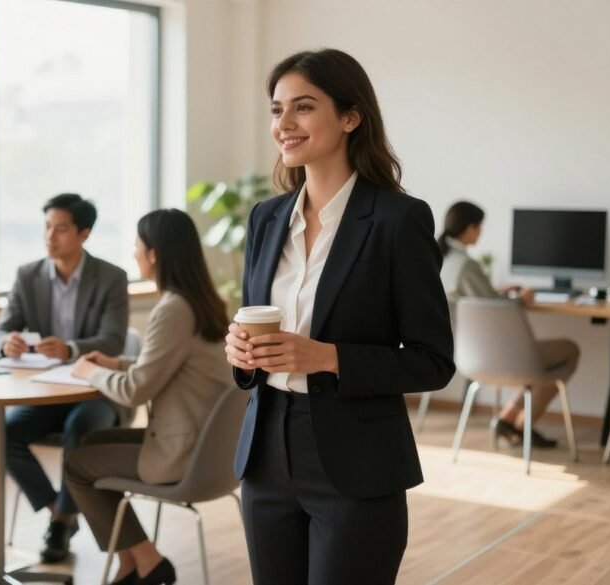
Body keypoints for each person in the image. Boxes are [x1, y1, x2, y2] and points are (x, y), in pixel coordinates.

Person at [223, 49, 455, 585]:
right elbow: (251, 322)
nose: (285, 124)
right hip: (266, 455)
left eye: (303, 107)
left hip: (357, 463)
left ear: (351, 117)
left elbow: (433, 362)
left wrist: (327, 357)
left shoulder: (399, 220)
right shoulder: (266, 217)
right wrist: (239, 352)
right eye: (277, 109)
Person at [65, 209, 230, 585]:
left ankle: (148, 561)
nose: (134, 252)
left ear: (155, 253)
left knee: (78, 464)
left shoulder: (172, 309)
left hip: (182, 453)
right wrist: (115, 362)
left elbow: (136, 391)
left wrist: (91, 370)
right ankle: (130, 566)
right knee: (93, 442)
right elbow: (166, 365)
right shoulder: (199, 301)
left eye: (138, 244)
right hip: (206, 448)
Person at [0, 193, 130, 562]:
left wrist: (69, 348)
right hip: (43, 392)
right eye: (47, 227)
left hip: (95, 392)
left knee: (80, 431)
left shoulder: (112, 278)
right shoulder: (28, 275)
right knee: (3, 432)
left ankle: (63, 521)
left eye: (61, 229)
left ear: (83, 234)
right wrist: (8, 342)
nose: (50, 236)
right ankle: (58, 510)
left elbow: (114, 340)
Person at [438, 200, 580, 448]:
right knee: (568, 351)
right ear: (471, 228)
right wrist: (521, 299)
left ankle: (508, 418)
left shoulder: (443, 259)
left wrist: (499, 293)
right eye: (480, 227)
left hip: (467, 355)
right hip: (498, 355)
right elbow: (499, 310)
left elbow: (481, 302)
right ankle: (521, 425)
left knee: (536, 363)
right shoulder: (467, 265)